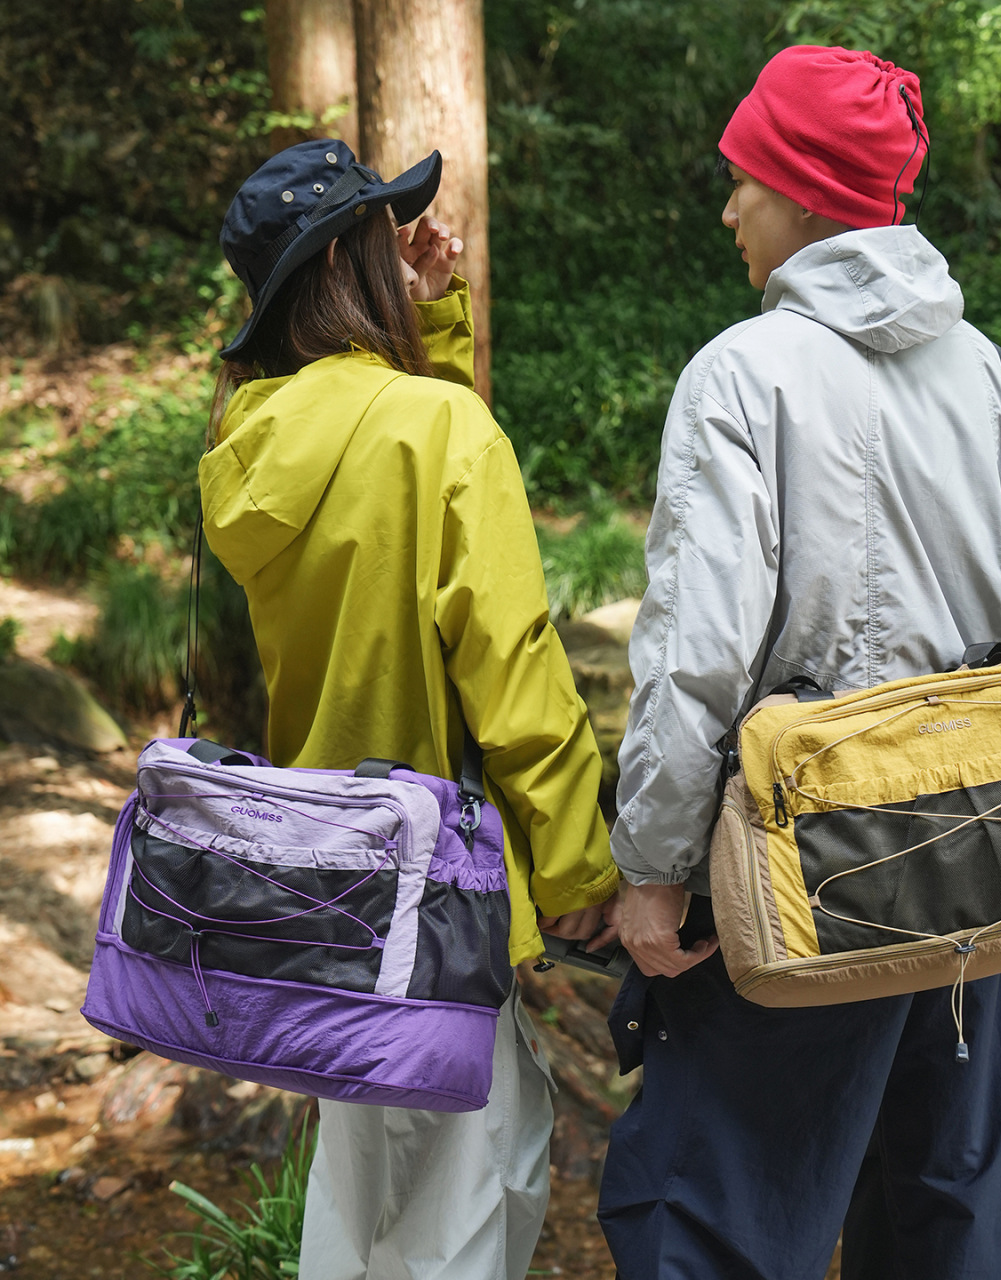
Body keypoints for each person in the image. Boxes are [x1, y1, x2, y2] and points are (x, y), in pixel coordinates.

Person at [598, 47, 1001, 1280]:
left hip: (800, 869)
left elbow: (698, 655)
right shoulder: (990, 372)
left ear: (804, 194)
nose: (728, 210)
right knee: (938, 1220)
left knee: (709, 1222)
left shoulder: (742, 373)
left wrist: (650, 868)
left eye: (743, 180)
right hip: (971, 869)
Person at [199, 138, 620, 1280]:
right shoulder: (438, 431)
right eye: (383, 232)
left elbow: (379, 463)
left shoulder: (250, 441)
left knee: (357, 1206)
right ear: (346, 264)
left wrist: (426, 321)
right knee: (465, 1210)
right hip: (444, 896)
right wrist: (580, 872)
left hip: (324, 891)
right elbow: (513, 670)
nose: (410, 243)